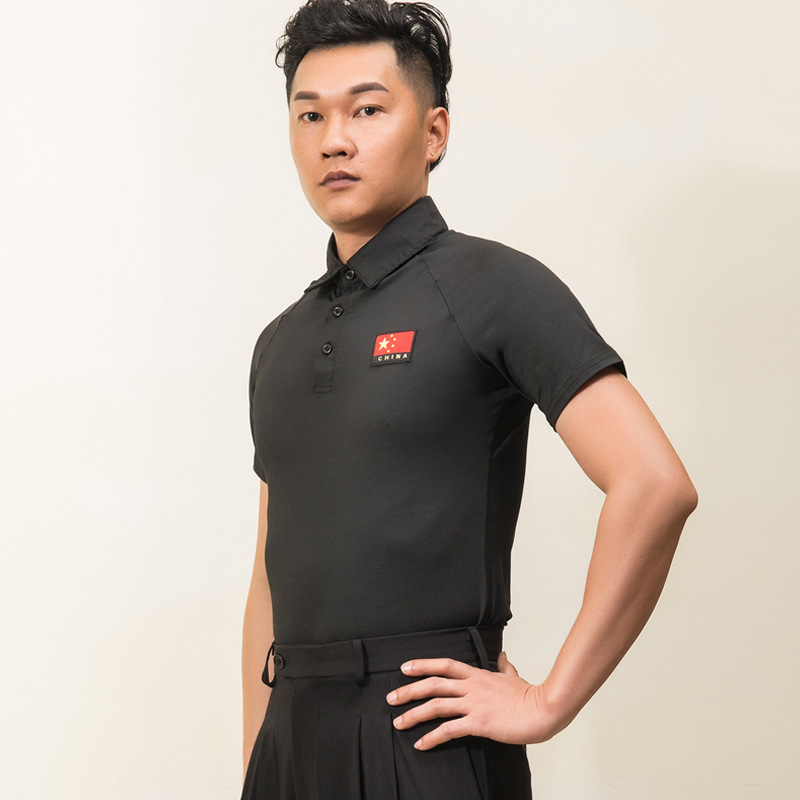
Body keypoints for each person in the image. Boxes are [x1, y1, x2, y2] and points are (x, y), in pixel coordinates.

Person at [241, 1, 698, 798]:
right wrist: (257, 765)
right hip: (291, 746)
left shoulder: (493, 287)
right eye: (310, 115)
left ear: (434, 133)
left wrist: (548, 701)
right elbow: (269, 579)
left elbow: (655, 484)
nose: (334, 139)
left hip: (427, 738)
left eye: (367, 110)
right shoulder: (280, 340)